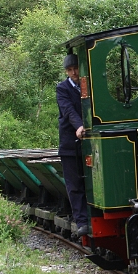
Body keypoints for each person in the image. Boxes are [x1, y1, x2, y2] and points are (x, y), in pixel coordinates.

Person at [57, 54, 90, 239]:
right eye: (70, 70)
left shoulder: (89, 85)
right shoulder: (62, 88)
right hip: (70, 143)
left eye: (75, 68)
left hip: (90, 141)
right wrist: (79, 126)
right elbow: (68, 110)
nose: (74, 73)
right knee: (74, 184)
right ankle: (82, 222)